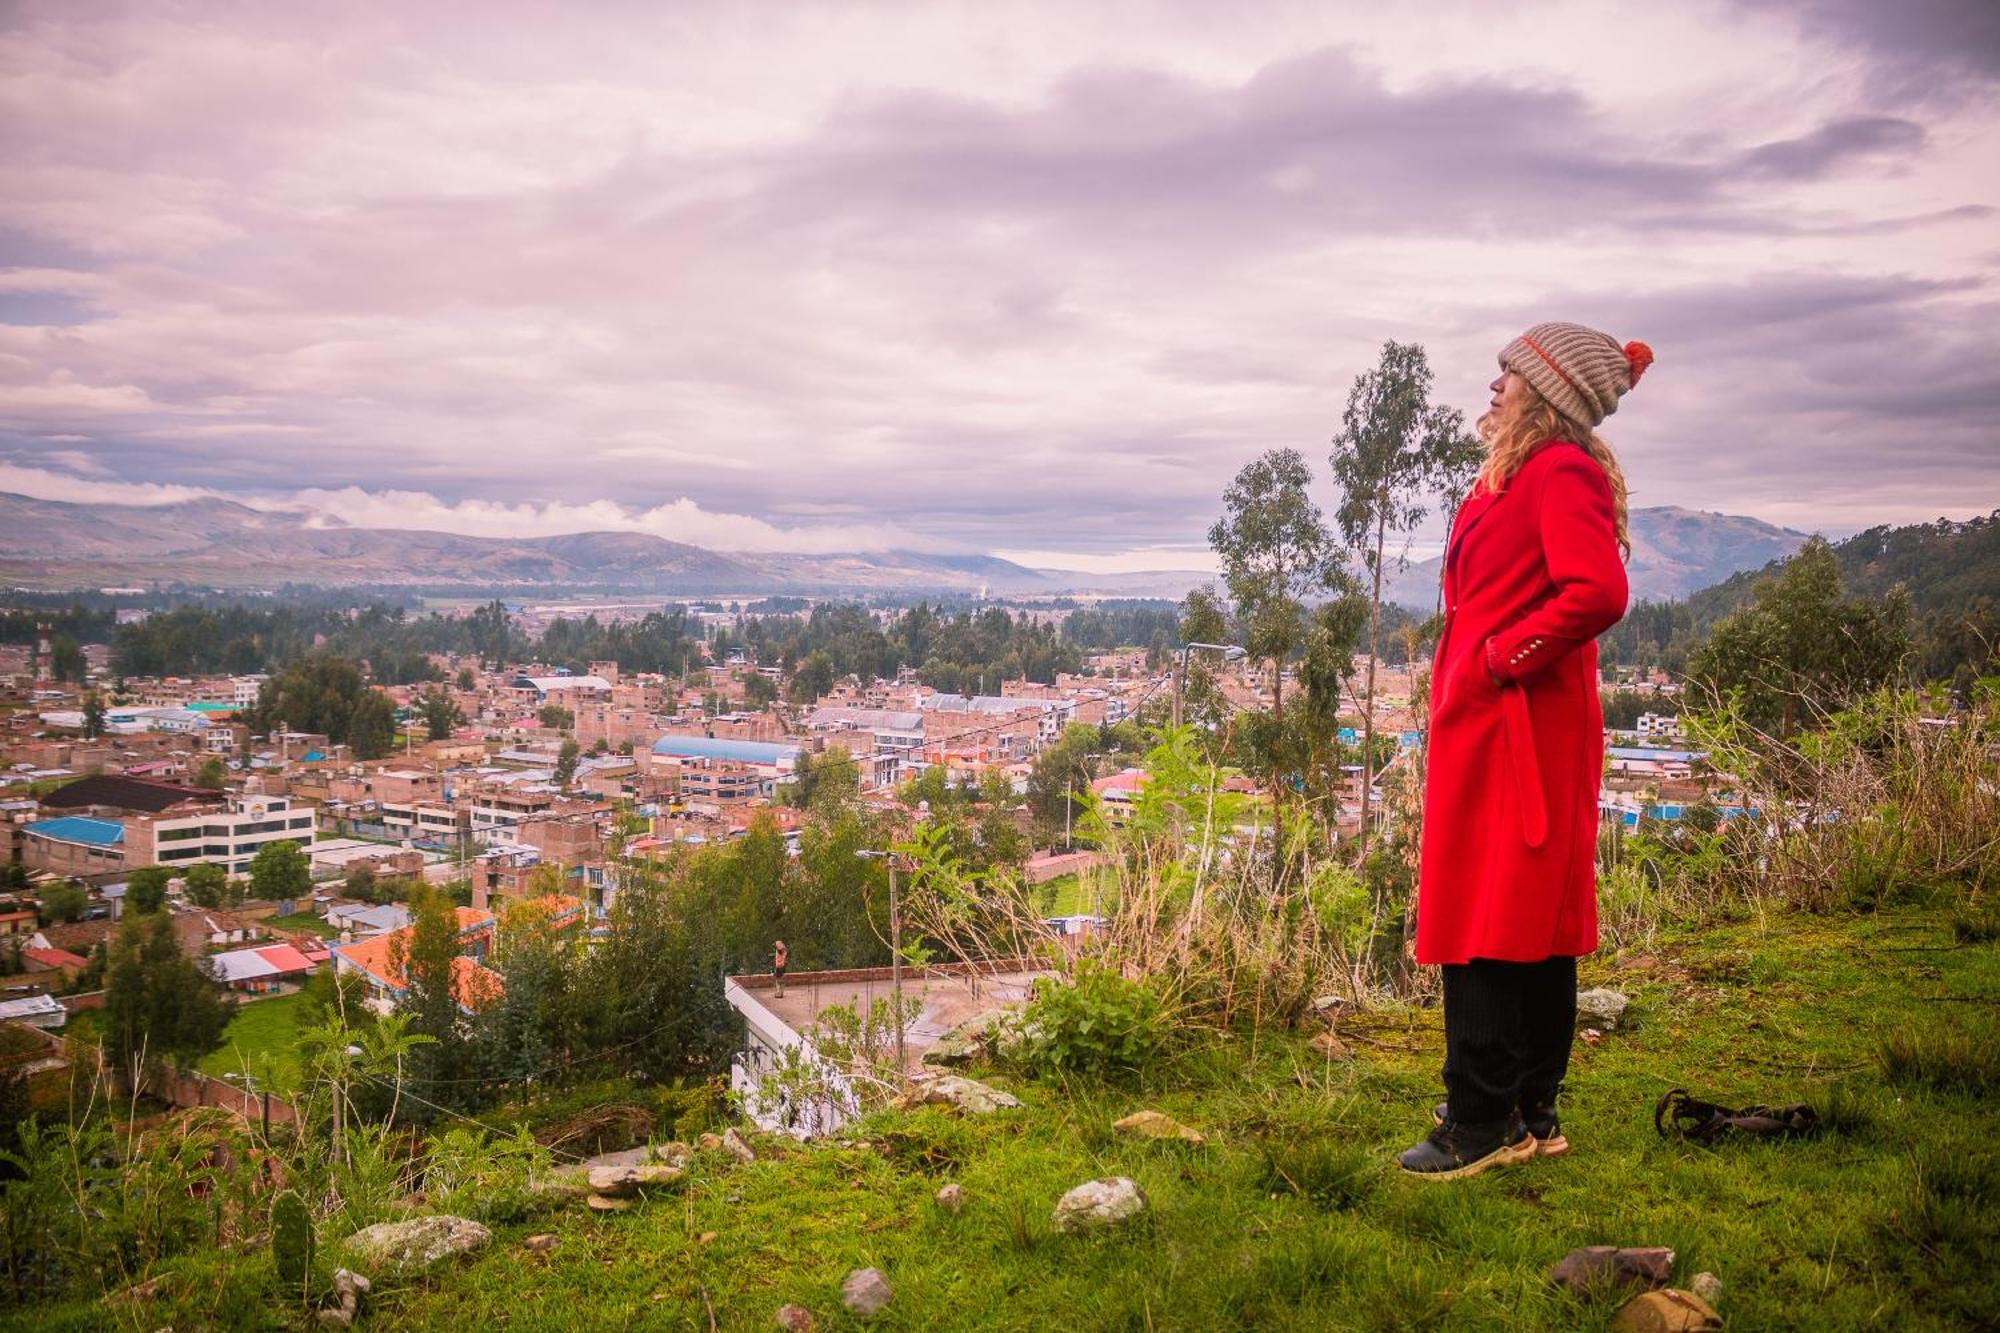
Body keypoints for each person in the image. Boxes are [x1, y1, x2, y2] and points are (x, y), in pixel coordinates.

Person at [1397, 321, 1648, 1179]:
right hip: (1496, 723)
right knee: (1527, 918)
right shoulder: (1514, 475)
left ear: (1546, 395)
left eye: (1510, 374)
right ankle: (1531, 1109)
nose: (1494, 386)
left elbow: (1599, 591)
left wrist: (1504, 658)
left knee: (1490, 913)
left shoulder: (1559, 472)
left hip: (1521, 728)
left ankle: (1479, 1119)